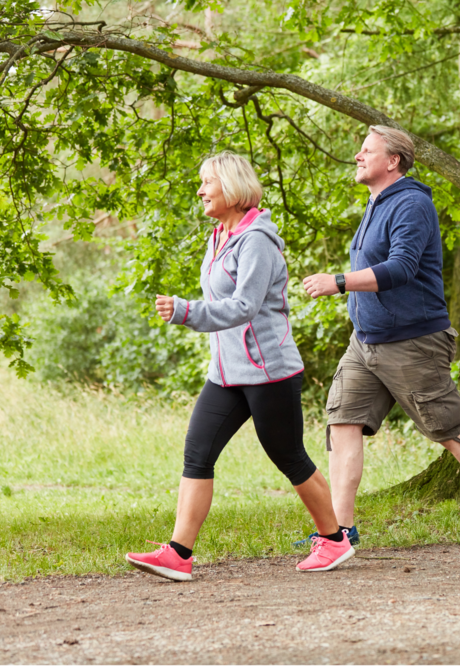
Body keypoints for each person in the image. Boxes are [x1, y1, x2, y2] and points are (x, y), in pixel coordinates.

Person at [125, 151, 353, 581]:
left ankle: (335, 540)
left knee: (289, 456)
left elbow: (245, 306)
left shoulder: (257, 241)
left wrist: (186, 311)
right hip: (226, 374)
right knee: (198, 452)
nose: (200, 190)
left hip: (269, 371)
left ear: (231, 187)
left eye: (207, 182)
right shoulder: (220, 236)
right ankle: (178, 553)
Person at [301, 126, 460, 544]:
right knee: (342, 423)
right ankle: (339, 531)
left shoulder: (411, 203)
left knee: (446, 428)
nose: (357, 155)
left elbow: (402, 268)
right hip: (366, 340)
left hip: (412, 341)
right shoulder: (376, 203)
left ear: (393, 161)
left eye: (366, 150)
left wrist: (339, 281)